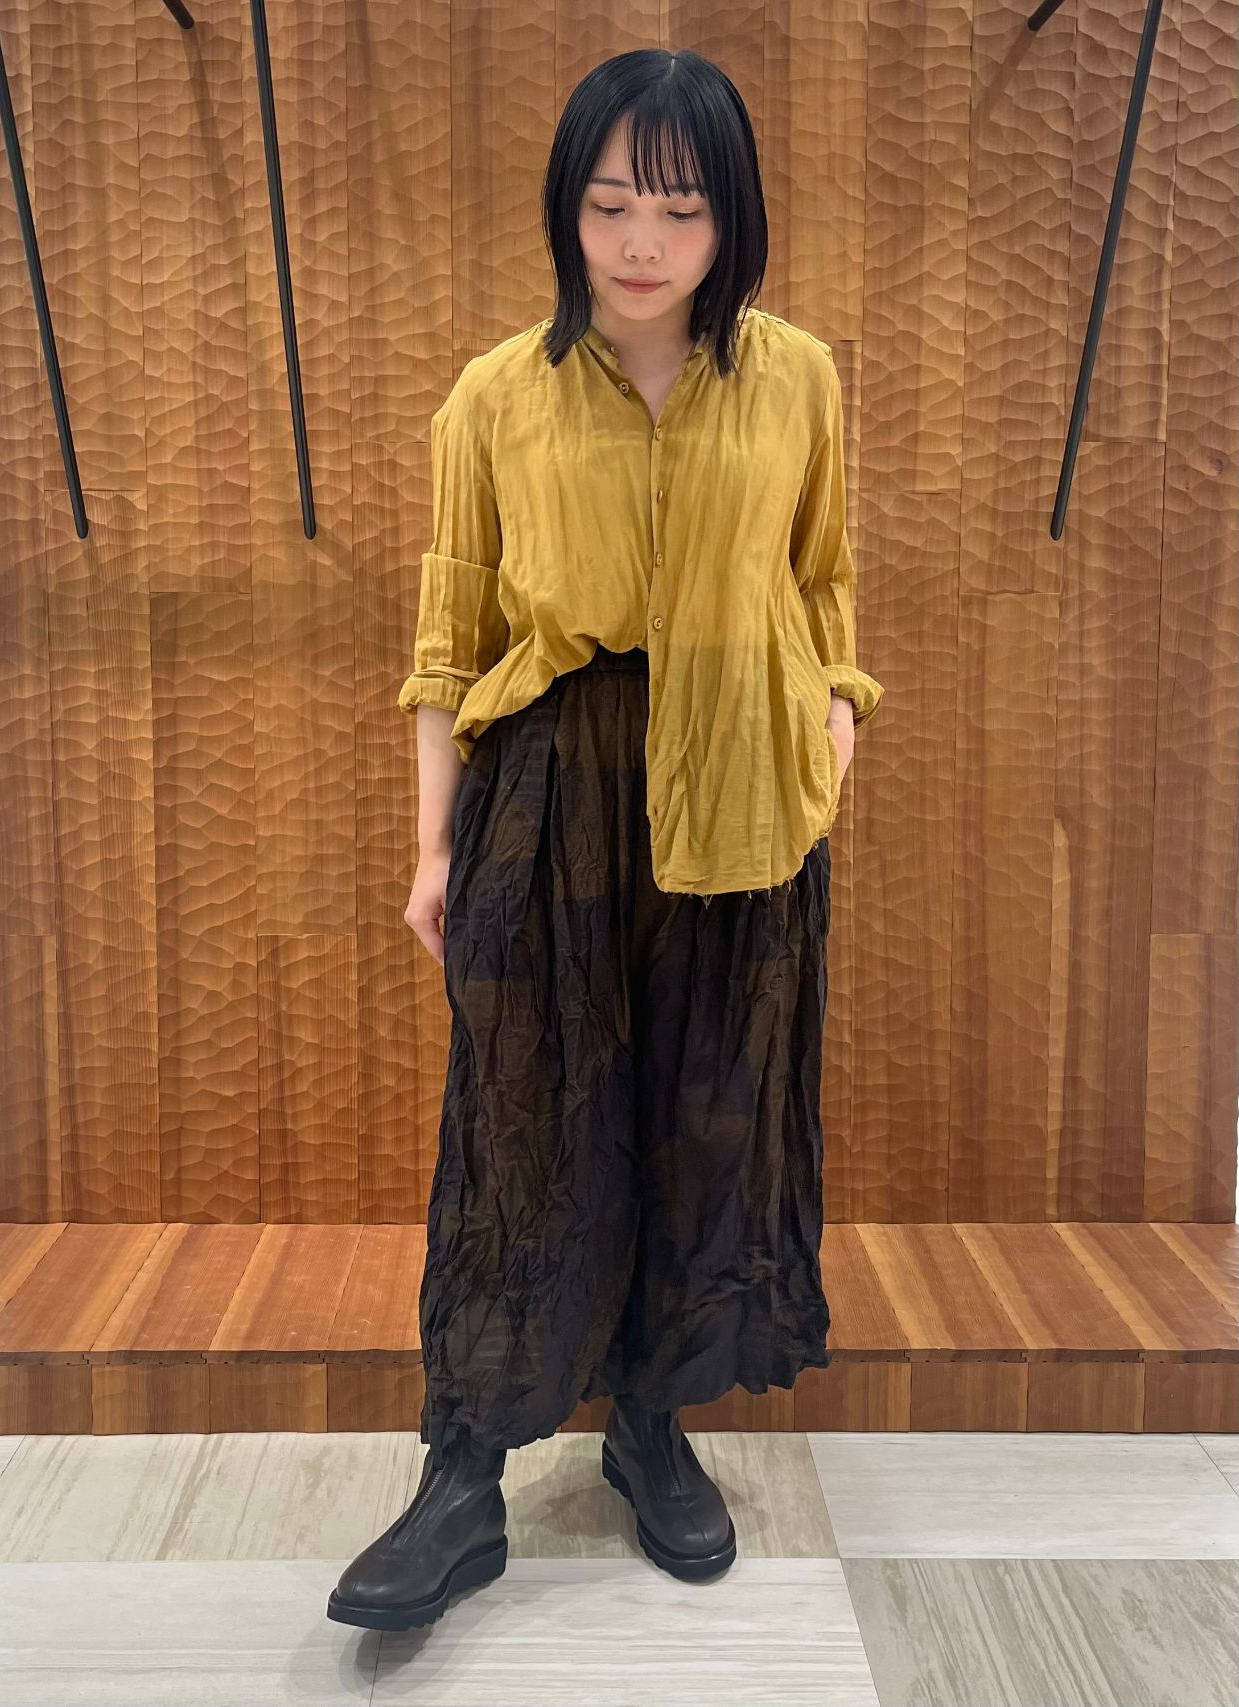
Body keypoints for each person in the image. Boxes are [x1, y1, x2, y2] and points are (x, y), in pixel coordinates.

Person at [327, 46, 883, 1635]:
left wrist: (833, 720)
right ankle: (460, 1476)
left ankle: (650, 1424)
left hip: (743, 789)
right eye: (611, 201)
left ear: (734, 219)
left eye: (682, 208)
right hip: (553, 789)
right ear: (567, 207)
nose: (642, 242)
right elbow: (449, 643)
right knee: (519, 1128)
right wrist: (433, 853)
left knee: (706, 1117)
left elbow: (824, 578)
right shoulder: (495, 396)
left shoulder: (797, 377)